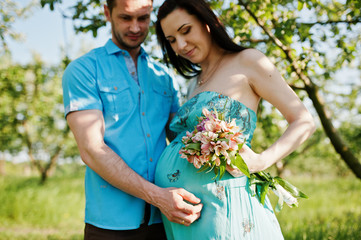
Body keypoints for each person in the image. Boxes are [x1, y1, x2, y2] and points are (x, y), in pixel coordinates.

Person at [153, 0, 316, 239]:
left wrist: (261, 161)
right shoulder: (192, 84)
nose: (181, 45)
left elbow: (303, 121)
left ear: (208, 22)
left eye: (186, 31)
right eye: (171, 40)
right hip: (186, 215)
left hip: (225, 207)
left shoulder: (248, 61)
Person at [62, 0, 203, 239]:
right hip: (110, 225)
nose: (136, 28)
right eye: (126, 18)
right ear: (108, 13)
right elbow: (92, 150)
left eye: (143, 18)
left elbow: (181, 140)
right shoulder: (84, 70)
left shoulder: (164, 75)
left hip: (166, 220)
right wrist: (157, 196)